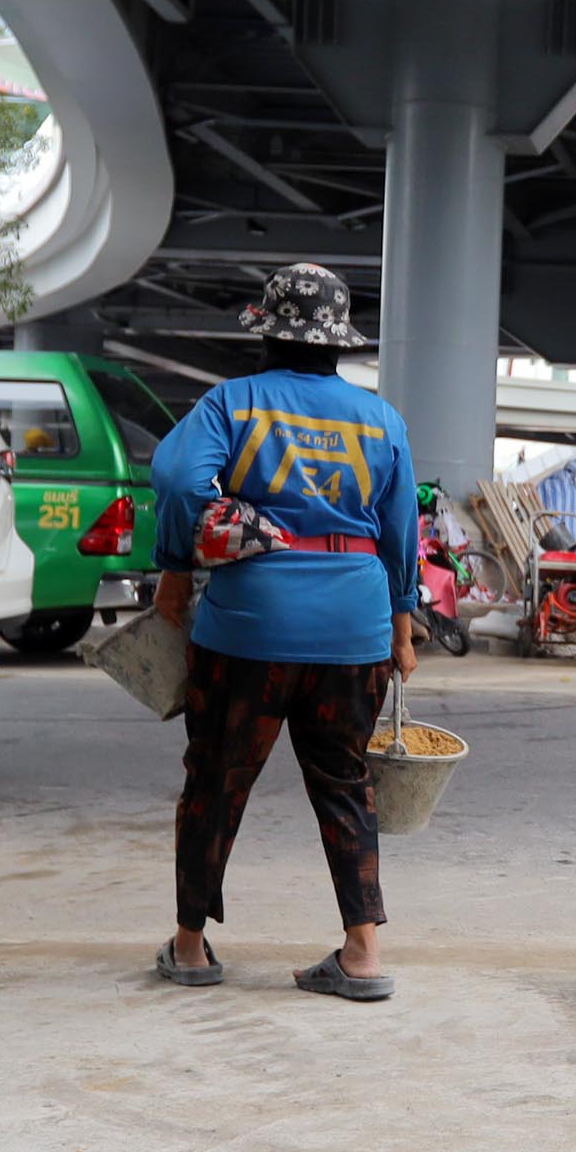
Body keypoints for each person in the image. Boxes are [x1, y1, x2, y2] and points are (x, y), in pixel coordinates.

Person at [147, 264, 419, 999]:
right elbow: (400, 535)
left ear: (266, 331)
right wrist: (402, 626)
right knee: (346, 783)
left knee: (215, 779)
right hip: (354, 627)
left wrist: (177, 565)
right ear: (337, 344)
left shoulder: (230, 404)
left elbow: (176, 482)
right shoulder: (381, 419)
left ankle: (192, 947)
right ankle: (362, 956)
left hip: (249, 629)